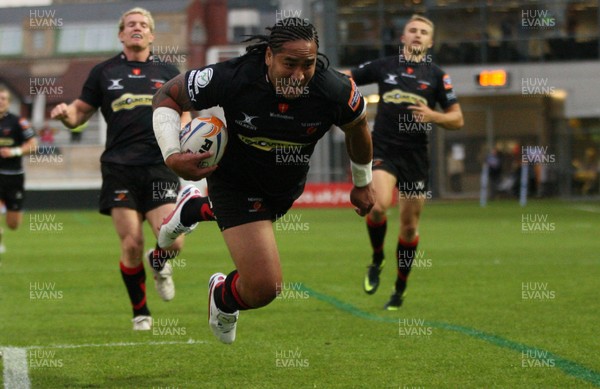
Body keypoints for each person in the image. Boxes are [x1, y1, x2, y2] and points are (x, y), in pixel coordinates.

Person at [152, 17, 375, 344]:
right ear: (268, 56)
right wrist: (172, 155)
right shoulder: (233, 76)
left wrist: (362, 182)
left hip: (284, 189)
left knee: (259, 274)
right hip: (235, 183)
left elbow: (357, 126)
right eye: (290, 64)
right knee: (264, 287)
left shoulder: (335, 90)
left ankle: (190, 210)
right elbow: (166, 96)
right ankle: (222, 297)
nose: (299, 75)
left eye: (308, 65)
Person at [50, 8, 190, 330]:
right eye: (130, 25)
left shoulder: (168, 70)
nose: (136, 28)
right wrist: (64, 115)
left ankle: (159, 264)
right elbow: (78, 114)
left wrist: (185, 133)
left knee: (174, 241)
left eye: (143, 25)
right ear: (121, 34)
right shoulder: (103, 71)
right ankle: (140, 312)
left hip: (159, 165)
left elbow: (185, 113)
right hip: (119, 168)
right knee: (131, 244)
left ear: (152, 35)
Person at [344, 14, 464, 310]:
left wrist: (434, 115)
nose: (417, 35)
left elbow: (457, 118)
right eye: (412, 30)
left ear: (430, 41)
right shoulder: (385, 66)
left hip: (415, 156)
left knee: (409, 228)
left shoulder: (437, 75)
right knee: (378, 206)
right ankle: (377, 259)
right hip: (384, 148)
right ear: (403, 37)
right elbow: (347, 77)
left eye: (424, 32)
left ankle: (399, 289)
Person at [0, 87, 37, 256]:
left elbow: (33, 145)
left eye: (3, 99)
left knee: (13, 224)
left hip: (14, 177)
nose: (0, 102)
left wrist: (14, 152)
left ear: (8, 102)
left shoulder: (18, 122)